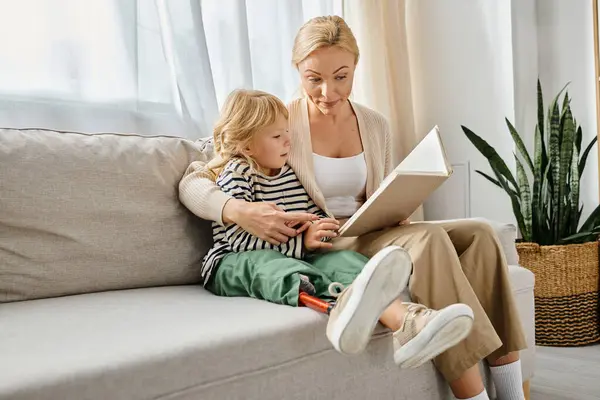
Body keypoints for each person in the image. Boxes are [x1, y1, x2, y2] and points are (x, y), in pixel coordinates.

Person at [180, 16, 528, 400]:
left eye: (341, 77)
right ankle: (472, 394)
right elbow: (197, 179)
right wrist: (236, 210)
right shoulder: (278, 122)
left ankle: (513, 389)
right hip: (330, 240)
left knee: (480, 232)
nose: (328, 91)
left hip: (373, 228)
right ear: (297, 69)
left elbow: (377, 192)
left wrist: (396, 207)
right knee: (429, 240)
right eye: (314, 78)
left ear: (355, 70)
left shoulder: (375, 124)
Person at [192, 88, 474, 366]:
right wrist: (301, 243)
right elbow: (241, 243)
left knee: (347, 260)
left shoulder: (288, 171)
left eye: (287, 132)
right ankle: (337, 308)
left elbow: (310, 212)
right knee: (280, 269)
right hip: (232, 263)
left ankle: (410, 323)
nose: (288, 142)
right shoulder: (237, 174)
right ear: (246, 146)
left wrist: (319, 229)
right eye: (277, 136)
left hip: (292, 253)